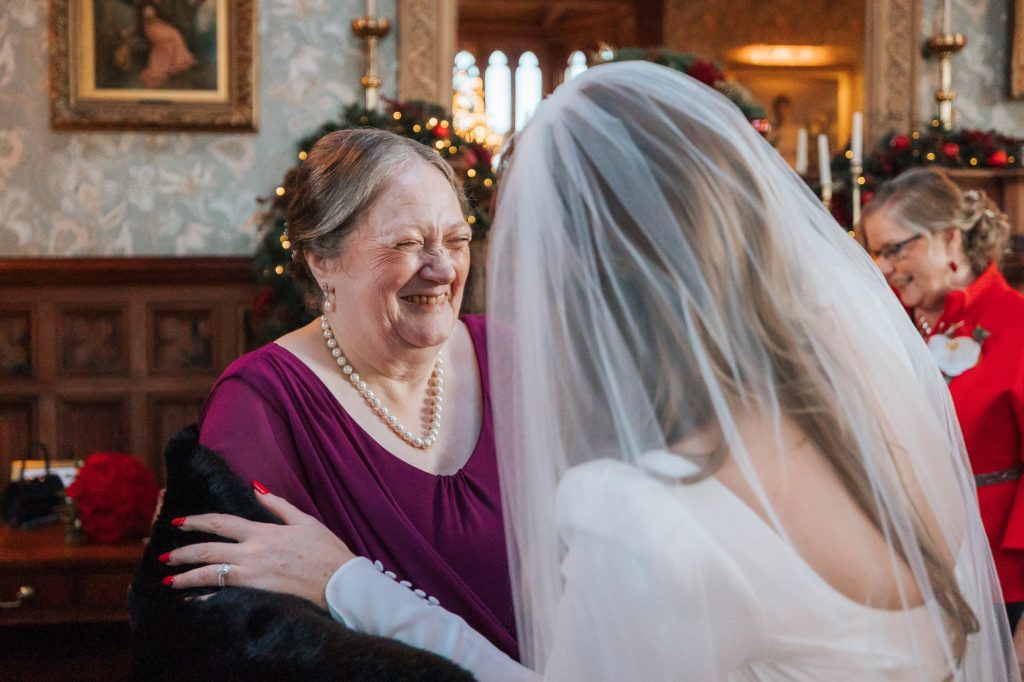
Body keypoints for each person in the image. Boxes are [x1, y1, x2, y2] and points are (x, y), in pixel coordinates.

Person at [166, 63, 1015, 679]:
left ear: (583, 283)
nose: (453, 270)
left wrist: (346, 581)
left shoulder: (640, 515)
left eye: (468, 240)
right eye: (408, 243)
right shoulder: (869, 423)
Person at [165, 127, 519, 660]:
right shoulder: (261, 404)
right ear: (321, 261)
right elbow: (259, 634)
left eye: (457, 240)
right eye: (407, 243)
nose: (443, 268)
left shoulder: (513, 358)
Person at [862, 168, 1024, 640]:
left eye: (896, 249)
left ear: (950, 238)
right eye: (875, 253)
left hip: (998, 581)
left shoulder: (1016, 324)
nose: (884, 268)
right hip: (899, 569)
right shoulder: (882, 320)